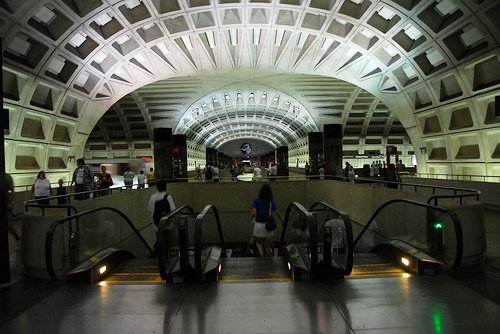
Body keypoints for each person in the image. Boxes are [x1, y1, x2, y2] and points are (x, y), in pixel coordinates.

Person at [251, 184, 283, 257]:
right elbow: (278, 213)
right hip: (268, 226)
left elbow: (253, 212)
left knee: (258, 242)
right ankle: (272, 253)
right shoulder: (271, 201)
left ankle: (262, 256)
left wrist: (252, 217)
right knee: (268, 240)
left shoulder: (256, 200)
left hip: (258, 225)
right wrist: (282, 221)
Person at [148, 180, 176, 253]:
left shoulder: (152, 197)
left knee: (159, 238)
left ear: (157, 187)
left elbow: (149, 210)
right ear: (165, 187)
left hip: (156, 223)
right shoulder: (168, 197)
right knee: (167, 240)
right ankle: (167, 257)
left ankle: (159, 254)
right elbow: (173, 210)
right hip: (167, 224)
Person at [5, 173, 21, 242]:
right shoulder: (7, 176)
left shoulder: (7, 177)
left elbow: (12, 190)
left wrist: (11, 202)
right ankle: (17, 237)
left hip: (5, 203)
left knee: (8, 225)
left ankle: (17, 237)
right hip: (6, 203)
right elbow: (12, 190)